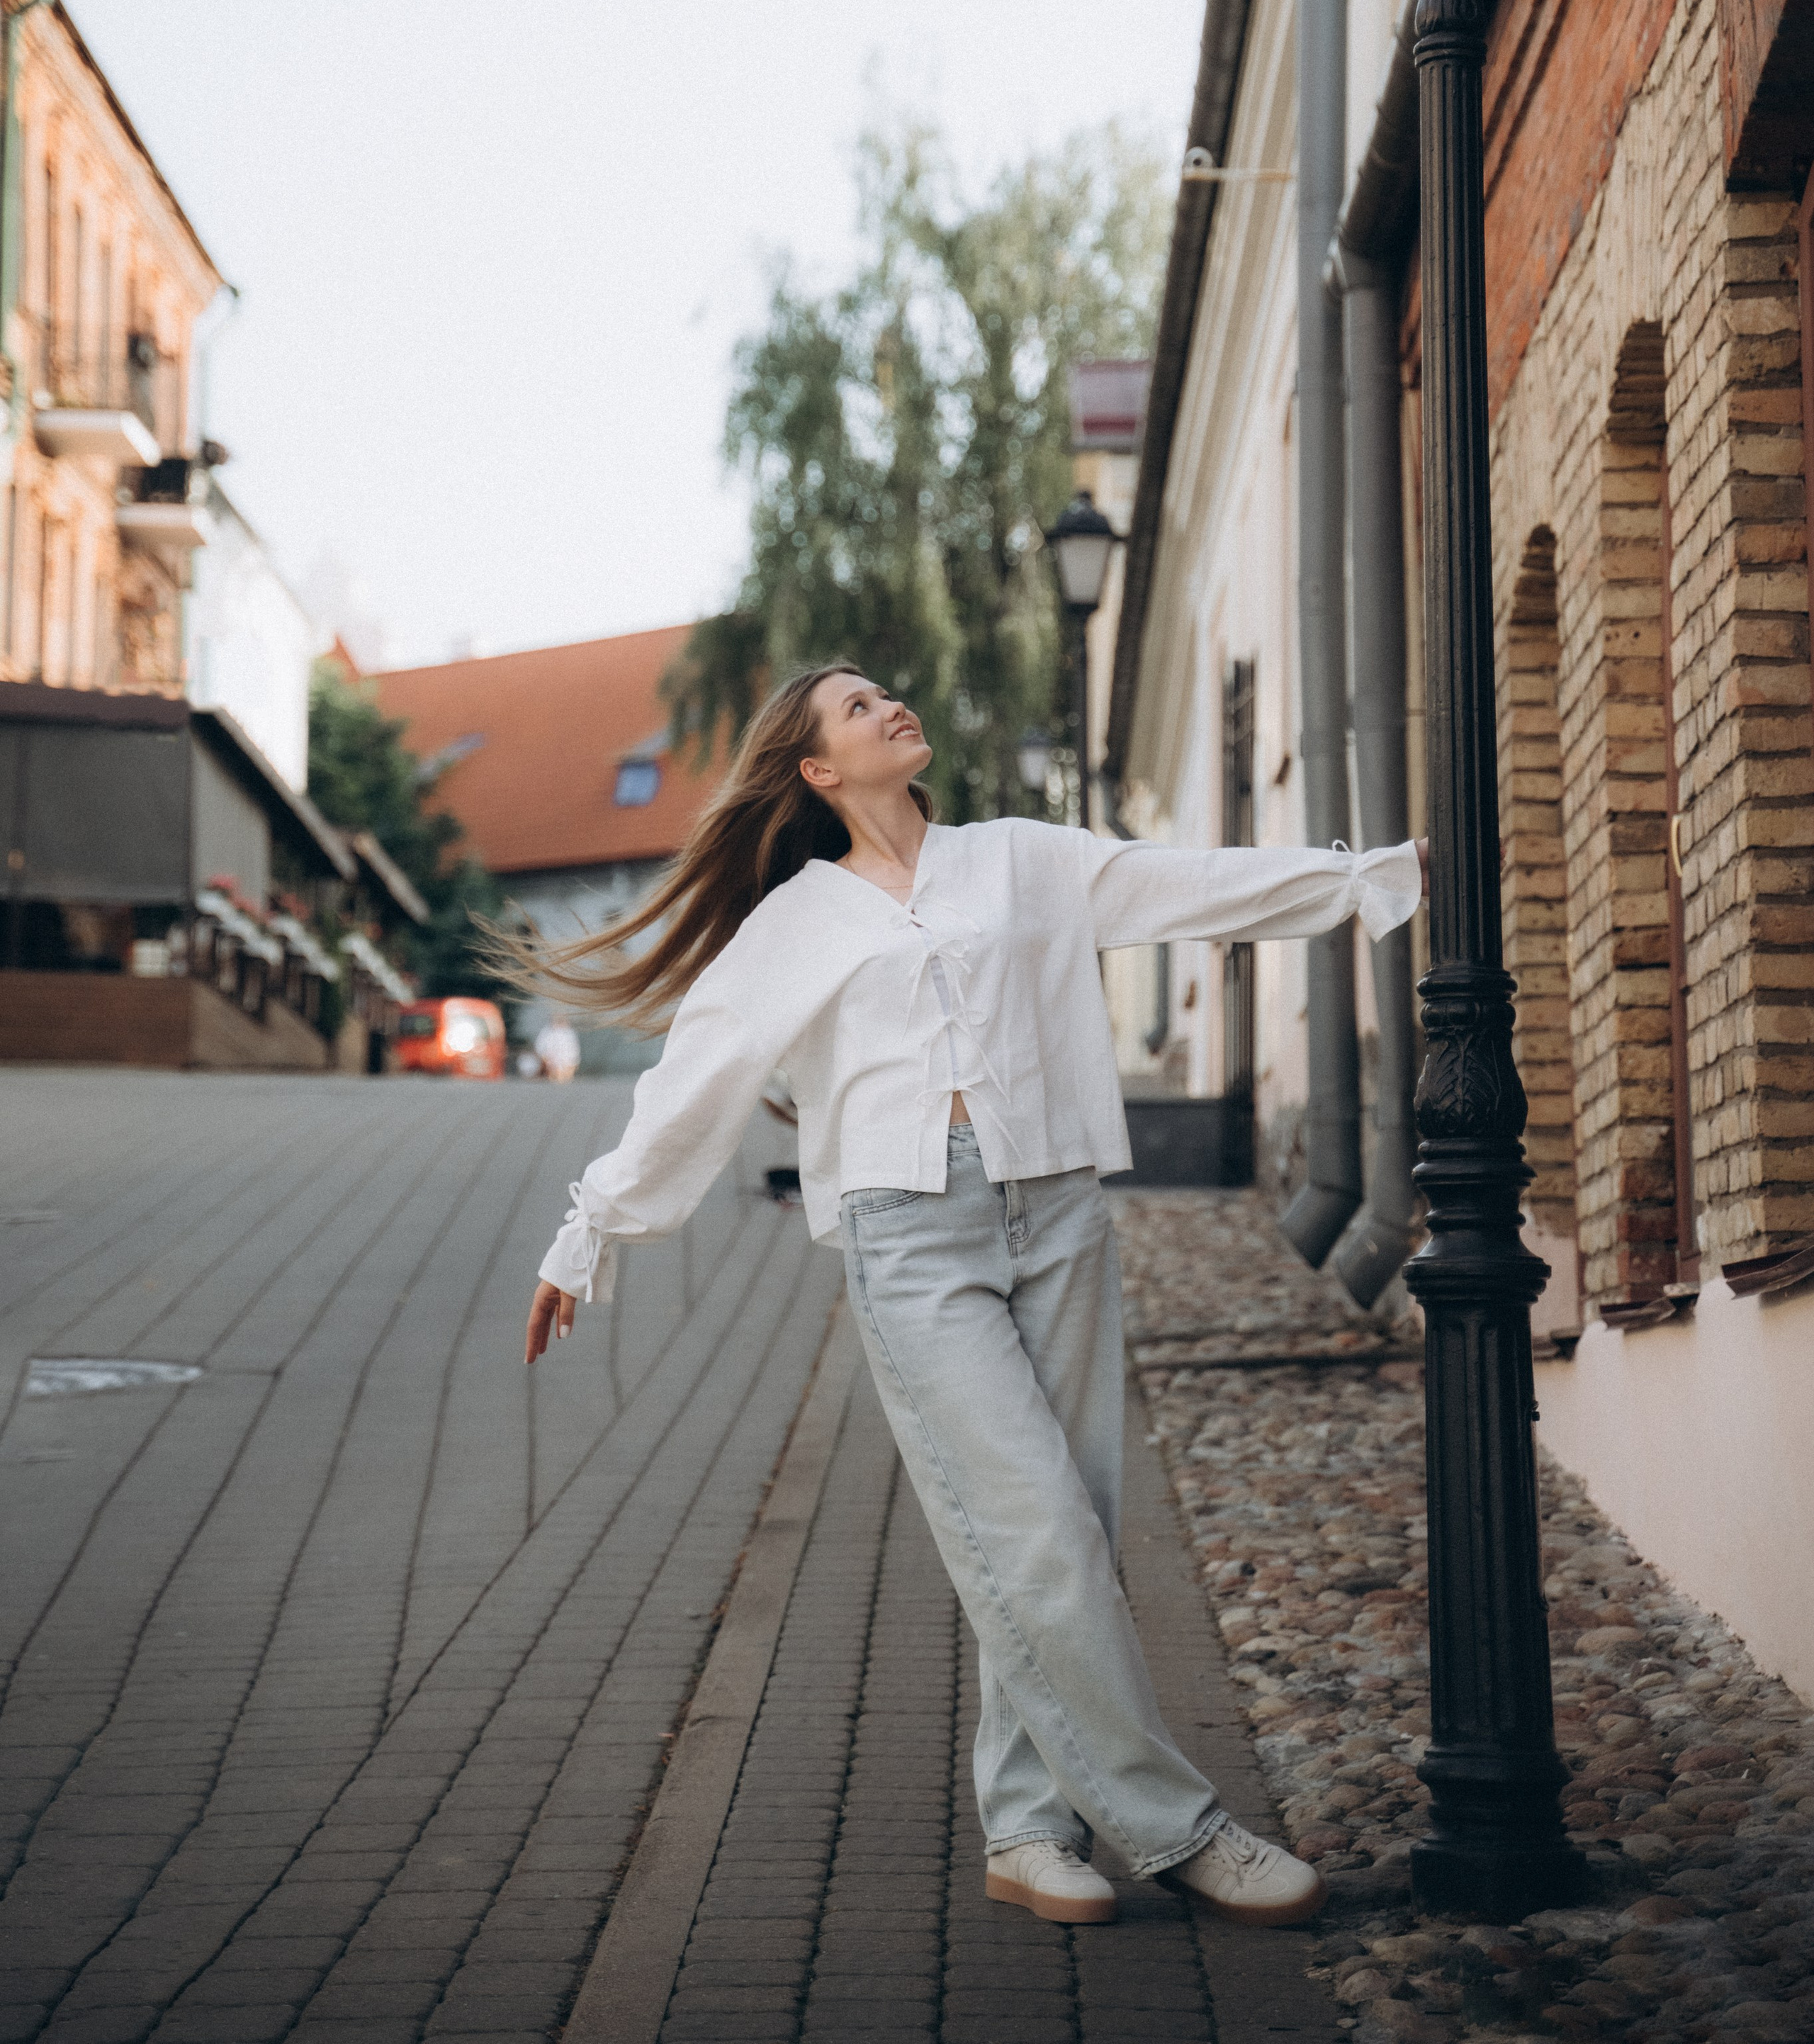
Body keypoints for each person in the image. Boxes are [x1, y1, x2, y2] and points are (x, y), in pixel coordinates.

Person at [522, 663, 1424, 1930]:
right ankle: (1180, 1830)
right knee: (1034, 1531)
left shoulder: (1019, 859)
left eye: (888, 692)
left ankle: (1027, 1829)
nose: (891, 704)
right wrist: (590, 1230)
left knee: (1067, 1531)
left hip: (1055, 1206)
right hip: (910, 1236)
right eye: (855, 707)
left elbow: (1183, 884)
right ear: (819, 772)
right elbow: (697, 1077)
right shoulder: (794, 922)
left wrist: (1359, 879)